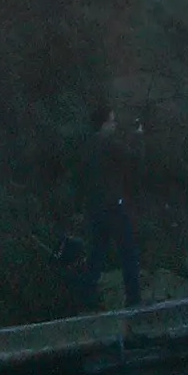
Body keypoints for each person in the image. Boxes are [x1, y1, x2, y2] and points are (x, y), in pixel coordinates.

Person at [82, 105, 142, 309]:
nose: (115, 125)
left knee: (96, 255)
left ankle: (86, 300)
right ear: (105, 123)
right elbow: (132, 159)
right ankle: (134, 300)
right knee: (128, 252)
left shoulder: (87, 145)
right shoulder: (108, 144)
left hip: (94, 208)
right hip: (114, 207)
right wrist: (137, 137)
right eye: (113, 121)